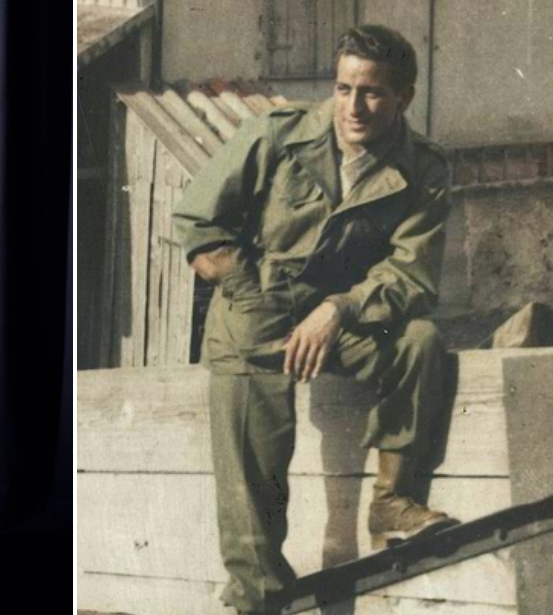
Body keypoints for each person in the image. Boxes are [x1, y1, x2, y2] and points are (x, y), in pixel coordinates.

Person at [172, 25, 458, 614]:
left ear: (402, 98)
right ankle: (259, 601)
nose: (352, 107)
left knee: (421, 341)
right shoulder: (275, 137)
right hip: (253, 321)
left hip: (343, 319)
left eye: (372, 93)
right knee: (254, 493)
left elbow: (413, 273)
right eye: (343, 88)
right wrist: (248, 290)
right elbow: (200, 224)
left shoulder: (423, 167)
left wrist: (338, 309)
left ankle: (394, 503)